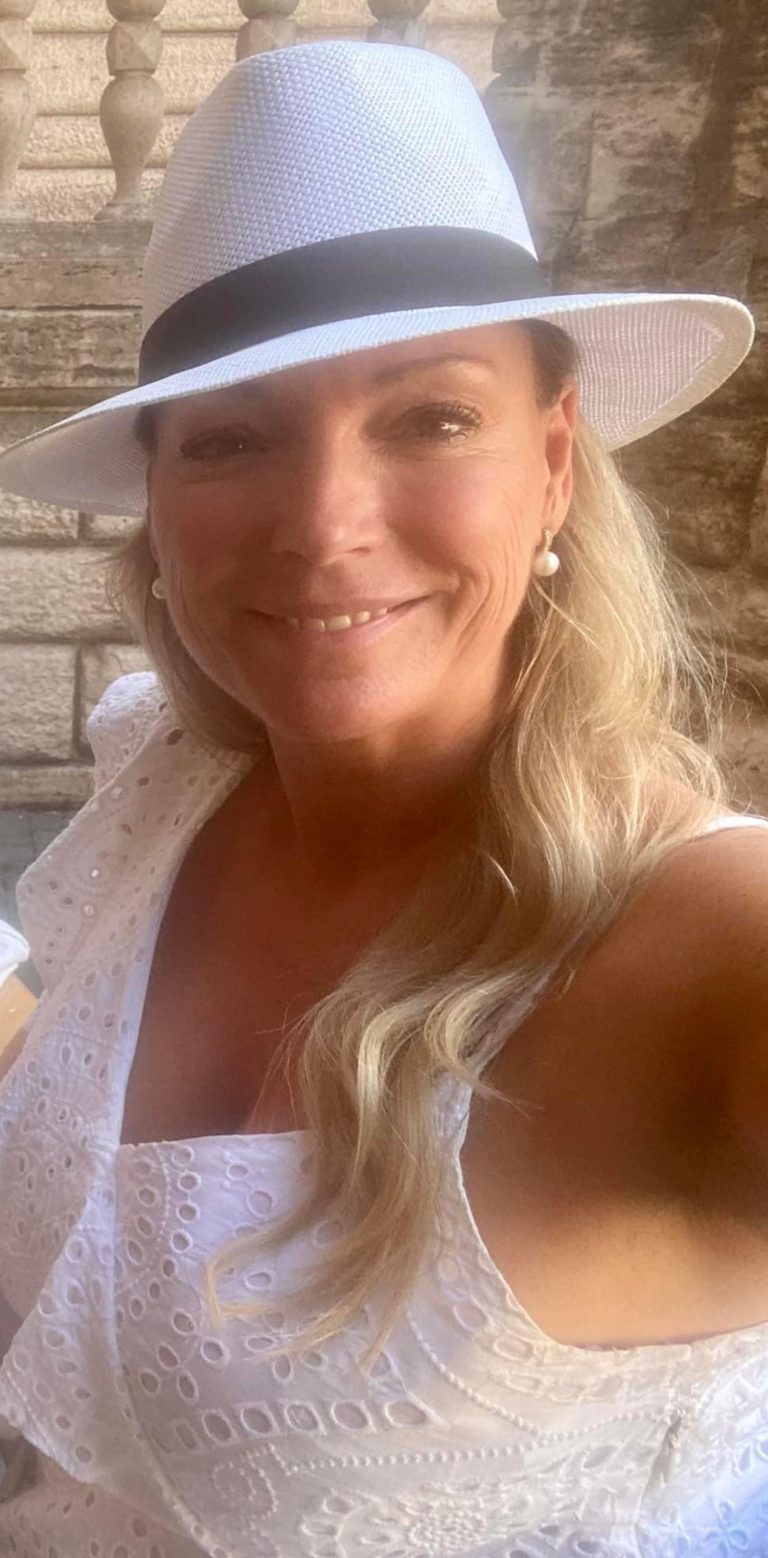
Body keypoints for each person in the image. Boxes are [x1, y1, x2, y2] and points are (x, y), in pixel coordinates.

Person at [0, 35, 766, 1558]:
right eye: (233, 438)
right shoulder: (173, 778)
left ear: (555, 461)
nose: (322, 524)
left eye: (431, 418)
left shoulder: (693, 945)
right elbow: (77, 1106)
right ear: (160, 502)